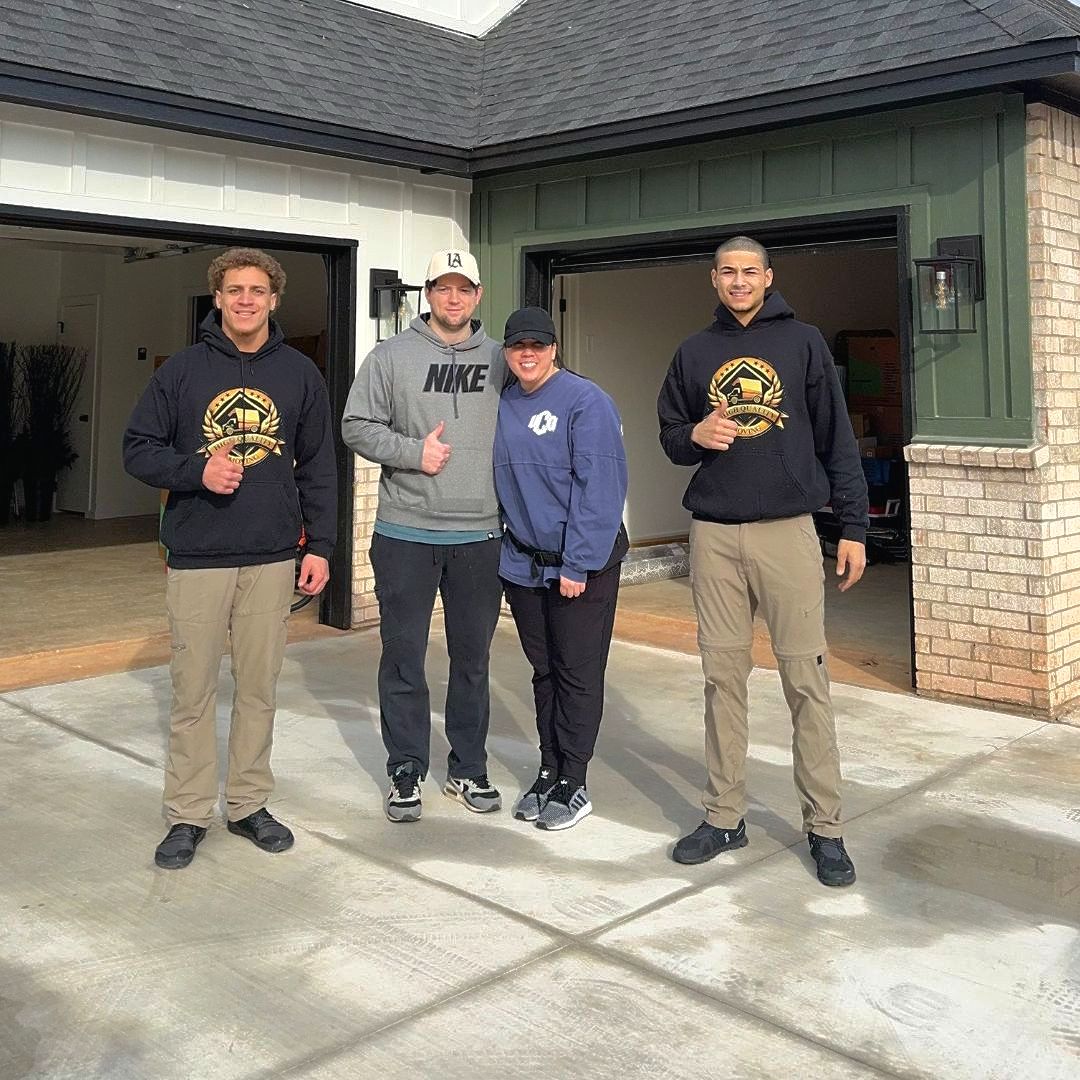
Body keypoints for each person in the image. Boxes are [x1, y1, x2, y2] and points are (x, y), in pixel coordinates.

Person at [657, 236, 868, 886]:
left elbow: (838, 439)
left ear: (768, 277)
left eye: (750, 271)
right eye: (728, 272)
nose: (739, 281)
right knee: (723, 680)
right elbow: (669, 435)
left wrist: (854, 526)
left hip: (788, 532)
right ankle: (725, 817)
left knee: (806, 680)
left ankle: (825, 828)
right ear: (713, 279)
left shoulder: (802, 343)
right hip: (715, 535)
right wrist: (695, 434)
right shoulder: (694, 352)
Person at [123, 247, 337, 870]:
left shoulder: (300, 374)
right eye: (234, 289)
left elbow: (320, 467)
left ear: (274, 300)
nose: (245, 299)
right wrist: (196, 470)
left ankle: (247, 805)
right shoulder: (182, 373)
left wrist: (319, 545)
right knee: (191, 692)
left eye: (257, 290)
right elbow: (137, 449)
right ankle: (187, 815)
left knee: (259, 689)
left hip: (272, 557)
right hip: (198, 557)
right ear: (217, 299)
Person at [341, 250, 506, 823]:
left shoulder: (503, 359)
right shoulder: (391, 357)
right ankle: (406, 768)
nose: (453, 299)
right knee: (404, 657)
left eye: (464, 289)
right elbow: (355, 425)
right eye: (442, 288)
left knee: (472, 660)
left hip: (481, 535)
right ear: (427, 294)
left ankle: (467, 767)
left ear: (478, 295)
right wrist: (414, 453)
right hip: (406, 532)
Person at [495, 307, 628, 831]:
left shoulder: (584, 401)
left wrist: (578, 561)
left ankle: (576, 779)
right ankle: (549, 768)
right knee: (544, 671)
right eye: (517, 346)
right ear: (506, 352)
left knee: (577, 672)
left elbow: (602, 488)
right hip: (524, 565)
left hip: (580, 567)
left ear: (554, 348)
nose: (527, 354)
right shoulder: (503, 400)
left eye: (538, 344)